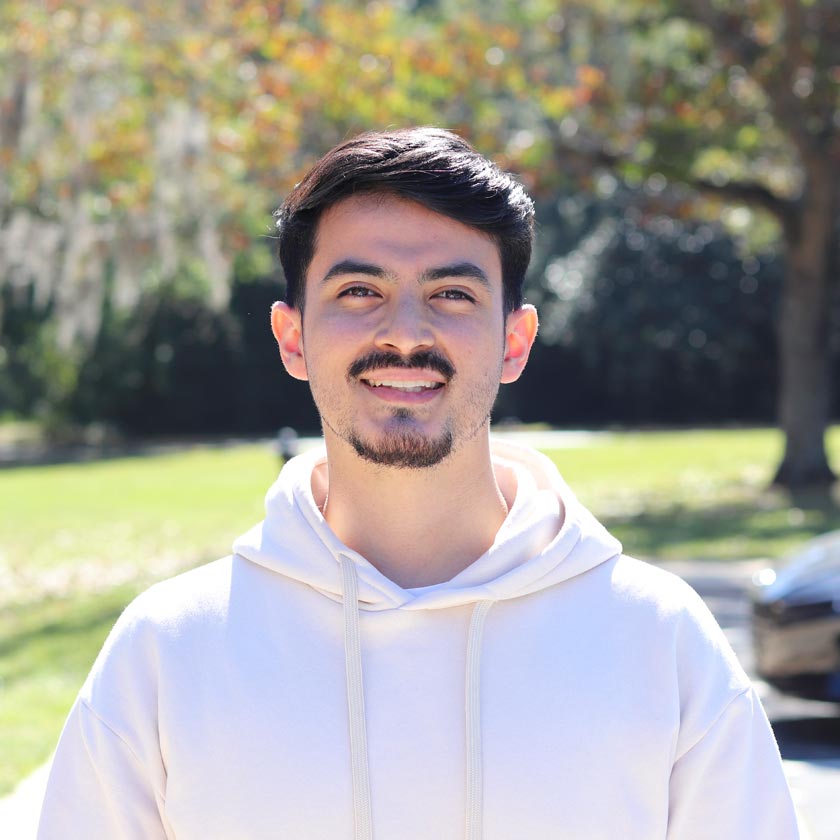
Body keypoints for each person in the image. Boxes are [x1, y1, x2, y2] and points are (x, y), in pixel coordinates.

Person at [38, 127, 799, 840]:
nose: (405, 332)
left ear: (514, 340)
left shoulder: (658, 639)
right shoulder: (168, 649)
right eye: (359, 292)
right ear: (293, 337)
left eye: (452, 294)